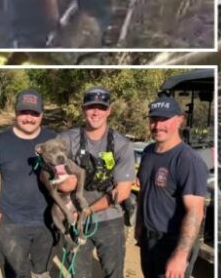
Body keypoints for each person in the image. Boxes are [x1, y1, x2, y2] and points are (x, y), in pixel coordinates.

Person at [59, 87, 135, 278]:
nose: (95, 112)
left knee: (113, 273)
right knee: (78, 274)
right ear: (83, 110)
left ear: (109, 111)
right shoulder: (67, 139)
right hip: (73, 221)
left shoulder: (122, 144)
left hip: (110, 220)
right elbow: (52, 170)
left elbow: (123, 193)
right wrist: (65, 181)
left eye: (101, 107)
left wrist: (86, 211)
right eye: (91, 107)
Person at [0, 89, 56, 278]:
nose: (29, 118)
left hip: (48, 221)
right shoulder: (0, 141)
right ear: (15, 112)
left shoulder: (53, 139)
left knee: (42, 272)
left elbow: (67, 175)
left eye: (34, 113)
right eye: (24, 112)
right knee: (17, 273)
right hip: (12, 222)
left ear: (42, 114)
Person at [136, 96, 207, 278]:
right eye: (153, 120)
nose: (158, 126)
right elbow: (144, 192)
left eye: (164, 119)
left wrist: (180, 255)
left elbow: (195, 212)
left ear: (179, 120)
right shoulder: (148, 152)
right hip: (148, 240)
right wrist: (139, 225)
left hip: (172, 244)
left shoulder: (188, 160)